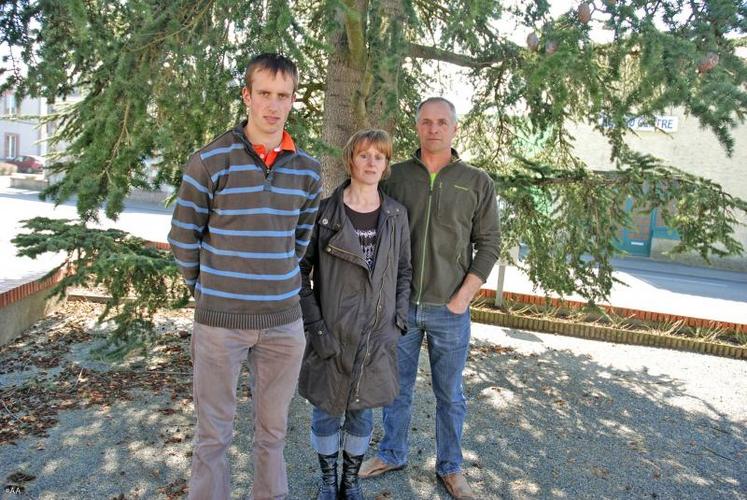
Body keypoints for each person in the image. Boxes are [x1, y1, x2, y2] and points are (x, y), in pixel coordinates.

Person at [168, 53, 322, 500]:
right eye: (264, 94)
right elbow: (183, 239)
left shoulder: (309, 171)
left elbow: (299, 242)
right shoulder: (210, 161)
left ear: (292, 100)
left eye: (283, 96)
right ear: (247, 96)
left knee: (273, 435)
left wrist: (275, 281)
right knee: (213, 437)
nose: (273, 106)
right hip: (220, 323)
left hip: (283, 324)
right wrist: (208, 290)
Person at [359, 97, 500, 499]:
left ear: (455, 128)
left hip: (449, 310)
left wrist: (463, 297)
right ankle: (392, 452)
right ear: (417, 127)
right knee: (394, 387)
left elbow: (489, 244)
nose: (433, 129)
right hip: (400, 307)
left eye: (441, 122)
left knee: (449, 394)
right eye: (425, 122)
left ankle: (451, 468)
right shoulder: (395, 176)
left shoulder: (476, 182)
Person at [298, 129, 411, 500]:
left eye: (379, 156)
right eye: (364, 155)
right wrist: (315, 328)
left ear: (387, 165)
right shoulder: (325, 213)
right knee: (327, 411)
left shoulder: (396, 215)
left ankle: (351, 481)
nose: (371, 162)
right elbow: (300, 272)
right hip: (331, 332)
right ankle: (328, 481)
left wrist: (398, 322)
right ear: (351, 161)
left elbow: (404, 272)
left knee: (362, 413)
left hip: (377, 335)